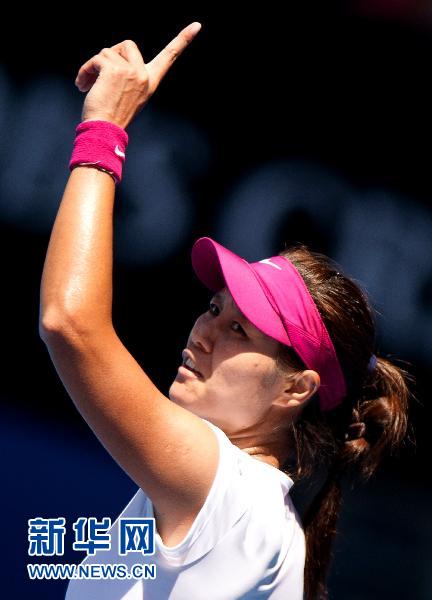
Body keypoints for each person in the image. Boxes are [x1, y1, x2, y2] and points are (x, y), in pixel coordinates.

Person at [39, 22, 414, 600]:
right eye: (214, 307)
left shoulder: (233, 495)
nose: (204, 331)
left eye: (239, 328)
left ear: (296, 389)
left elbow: (69, 323)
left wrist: (105, 129)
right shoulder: (230, 504)